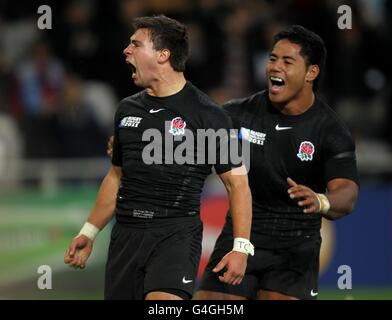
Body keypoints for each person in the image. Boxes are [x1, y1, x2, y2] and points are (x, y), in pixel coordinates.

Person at [63, 15, 253, 300]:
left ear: (163, 55)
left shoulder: (209, 115)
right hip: (125, 237)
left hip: (175, 236)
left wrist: (241, 247)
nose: (126, 51)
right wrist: (89, 232)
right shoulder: (126, 110)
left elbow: (237, 185)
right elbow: (116, 176)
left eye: (135, 45)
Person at [196, 25, 359, 300]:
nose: (275, 67)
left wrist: (322, 201)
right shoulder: (239, 113)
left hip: (295, 246)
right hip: (242, 236)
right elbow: (188, 131)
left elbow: (347, 192)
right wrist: (134, 140)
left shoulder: (331, 130)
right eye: (272, 59)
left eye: (287, 61)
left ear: (311, 72)